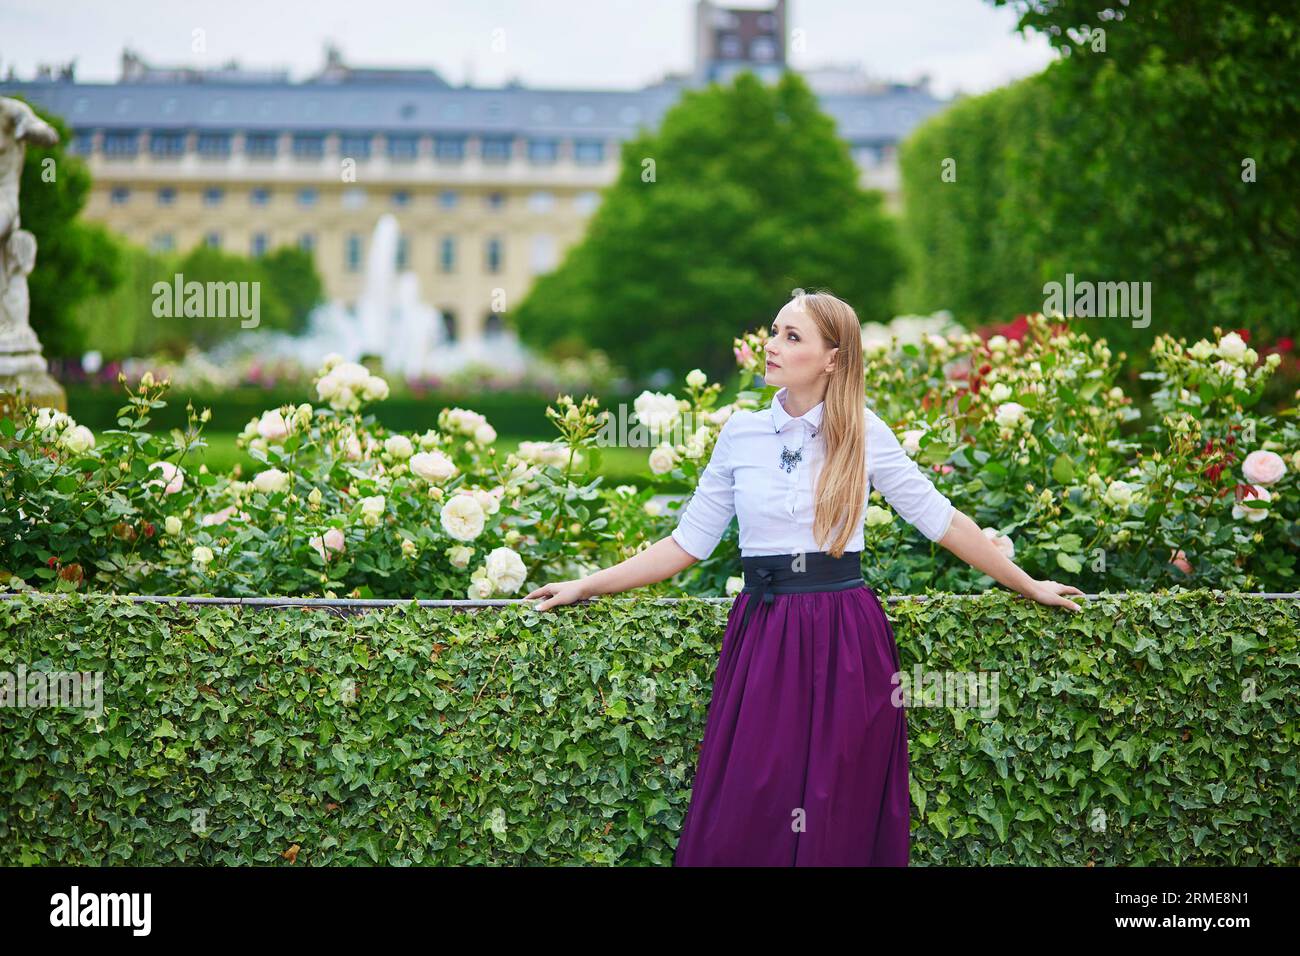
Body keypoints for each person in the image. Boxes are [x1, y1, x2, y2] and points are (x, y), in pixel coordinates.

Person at [525, 289, 1084, 866]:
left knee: (836, 807)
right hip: (763, 637)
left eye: (793, 337)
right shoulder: (740, 434)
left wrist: (1029, 584)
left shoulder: (863, 432)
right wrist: (585, 584)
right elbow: (684, 544)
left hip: (847, 639)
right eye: (774, 331)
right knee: (747, 802)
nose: (772, 345)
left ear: (832, 359)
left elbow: (943, 522)